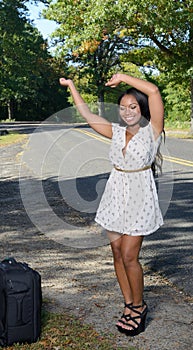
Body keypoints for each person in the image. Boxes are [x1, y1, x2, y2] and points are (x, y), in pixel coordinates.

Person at [59, 73, 164, 336]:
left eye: (133, 107)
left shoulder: (153, 131)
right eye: (123, 107)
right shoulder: (115, 132)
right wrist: (72, 86)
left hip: (140, 197)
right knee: (117, 253)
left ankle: (139, 307)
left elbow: (152, 91)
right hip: (115, 195)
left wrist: (123, 77)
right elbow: (86, 114)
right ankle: (128, 304)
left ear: (142, 109)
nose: (127, 112)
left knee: (130, 256)